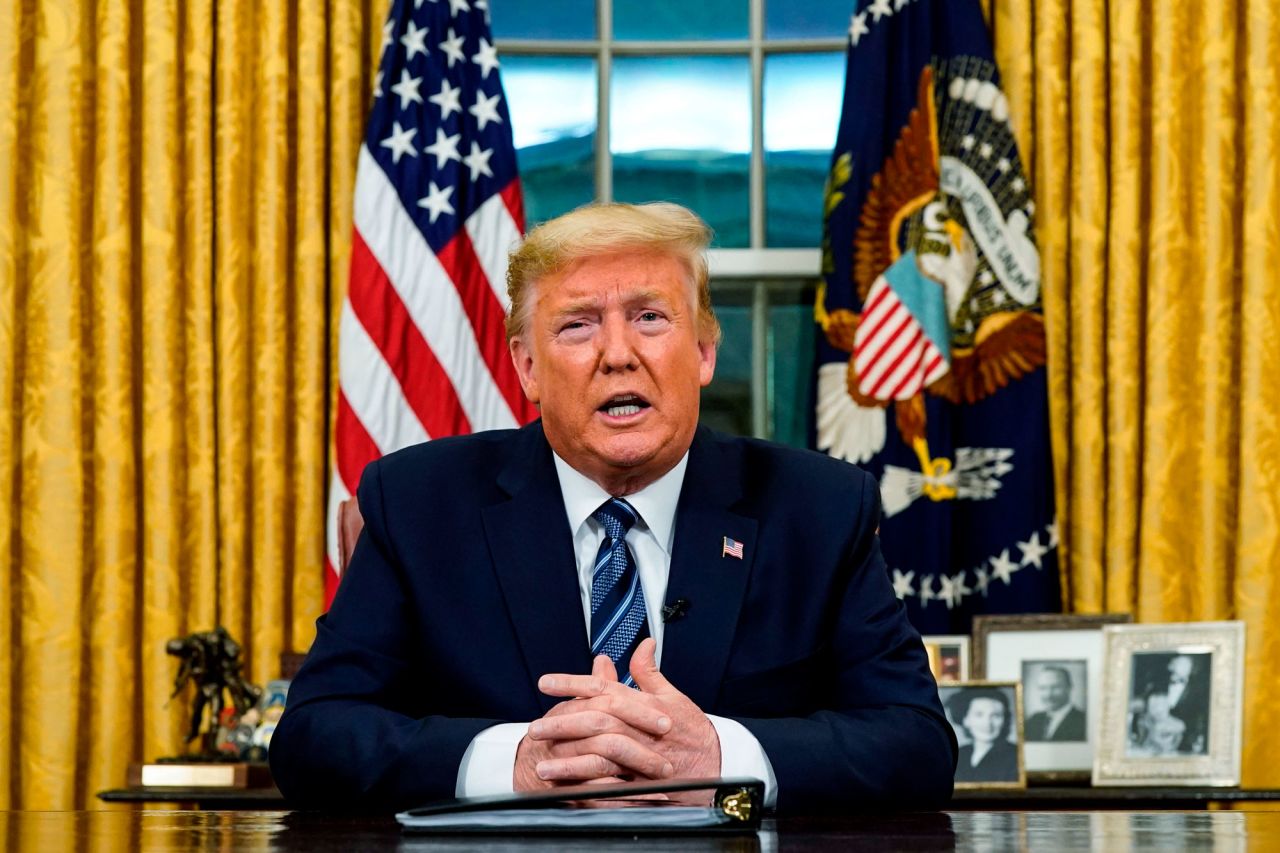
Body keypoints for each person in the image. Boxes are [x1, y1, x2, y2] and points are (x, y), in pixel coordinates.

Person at [269, 202, 957, 813]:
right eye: (577, 325)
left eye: (650, 317)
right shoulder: (419, 504)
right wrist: (521, 760)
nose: (618, 355)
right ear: (528, 368)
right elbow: (314, 736)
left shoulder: (819, 508)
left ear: (705, 350)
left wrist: (719, 755)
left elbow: (917, 745)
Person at [947, 688, 1018, 783]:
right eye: (979, 715)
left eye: (996, 715)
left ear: (1005, 720)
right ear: (965, 719)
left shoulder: (1015, 755)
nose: (987, 723)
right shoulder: (959, 754)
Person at [1024, 666, 1086, 742]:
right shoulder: (1033, 720)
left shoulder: (1083, 722)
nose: (1048, 695)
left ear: (1069, 687)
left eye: (1055, 687)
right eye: (1043, 688)